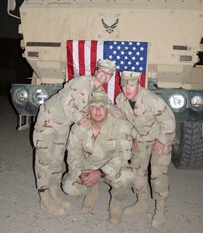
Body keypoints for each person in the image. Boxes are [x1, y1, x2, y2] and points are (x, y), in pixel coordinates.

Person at [33, 58, 116, 216]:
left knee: (57, 160)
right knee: (44, 160)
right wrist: (79, 118)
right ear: (96, 71)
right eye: (103, 71)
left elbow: (106, 105)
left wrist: (117, 113)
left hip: (63, 125)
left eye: (109, 73)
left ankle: (54, 195)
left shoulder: (99, 92)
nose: (105, 75)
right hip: (49, 121)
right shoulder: (82, 82)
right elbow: (65, 103)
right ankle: (44, 199)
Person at [62, 91, 136, 224]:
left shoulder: (121, 126)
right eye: (93, 107)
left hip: (110, 170)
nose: (97, 110)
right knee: (69, 186)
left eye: (102, 106)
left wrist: (100, 173)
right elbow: (73, 154)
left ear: (108, 108)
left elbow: (123, 156)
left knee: (128, 175)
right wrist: (80, 174)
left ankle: (116, 202)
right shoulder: (78, 127)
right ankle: (92, 189)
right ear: (88, 110)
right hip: (87, 168)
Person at [115, 71, 176, 229]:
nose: (127, 89)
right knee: (137, 172)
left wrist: (162, 140)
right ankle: (142, 203)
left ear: (138, 85)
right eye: (124, 85)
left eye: (132, 85)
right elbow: (124, 122)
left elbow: (169, 121)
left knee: (158, 176)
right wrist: (133, 136)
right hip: (140, 140)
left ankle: (160, 210)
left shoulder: (150, 99)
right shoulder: (120, 100)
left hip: (158, 139)